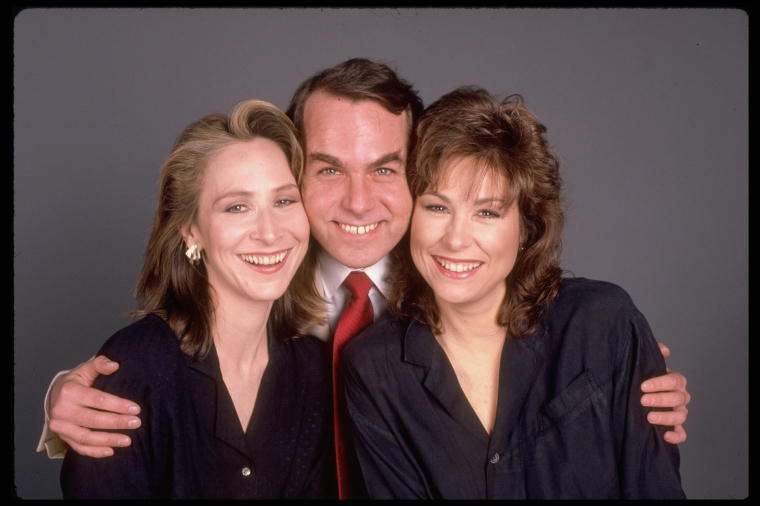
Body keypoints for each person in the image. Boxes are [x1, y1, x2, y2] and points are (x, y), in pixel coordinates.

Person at [40, 60, 690, 496]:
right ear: (295, 170)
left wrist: (618, 375)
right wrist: (63, 400)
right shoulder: (277, 320)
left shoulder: (486, 287)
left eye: (384, 169)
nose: (358, 201)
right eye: (327, 169)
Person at [342, 87, 686, 499]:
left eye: (487, 212)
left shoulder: (601, 322)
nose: (455, 239)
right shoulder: (375, 369)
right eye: (437, 207)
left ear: (526, 228)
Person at [59, 100, 334, 498]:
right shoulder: (136, 369)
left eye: (284, 200)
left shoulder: (313, 370)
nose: (270, 232)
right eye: (237, 207)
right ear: (191, 231)